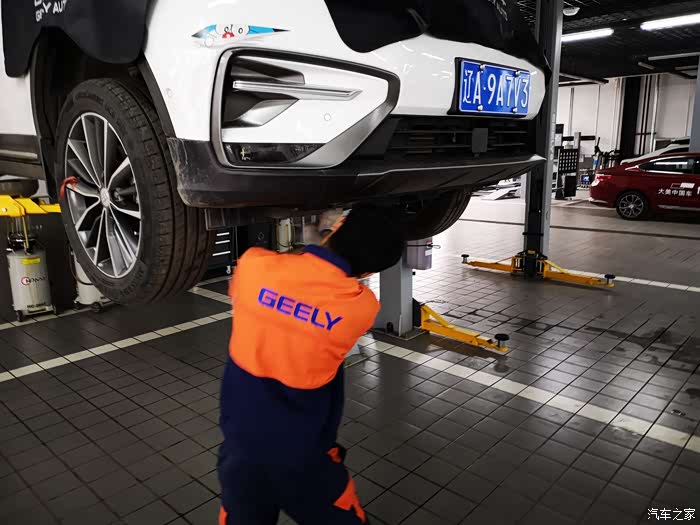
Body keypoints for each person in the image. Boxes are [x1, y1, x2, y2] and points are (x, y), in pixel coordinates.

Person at [218, 206, 405, 525]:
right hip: (305, 464)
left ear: (337, 227)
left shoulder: (254, 266)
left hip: (240, 457)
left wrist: (316, 241)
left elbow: (280, 283)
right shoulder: (360, 308)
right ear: (369, 273)